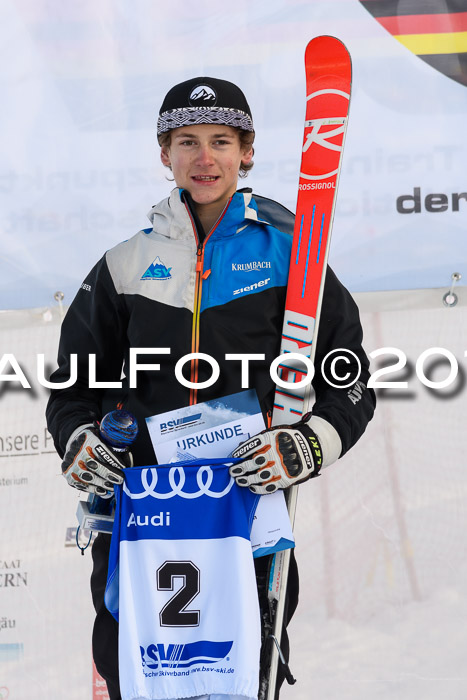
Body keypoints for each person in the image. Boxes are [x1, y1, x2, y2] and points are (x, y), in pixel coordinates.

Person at [46, 76, 375, 699]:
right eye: (187, 142)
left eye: (221, 141)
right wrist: (80, 440)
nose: (205, 158)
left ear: (246, 151)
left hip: (244, 512)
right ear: (163, 154)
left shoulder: (292, 254)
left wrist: (307, 444)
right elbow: (72, 387)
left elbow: (351, 379)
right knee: (131, 674)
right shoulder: (125, 264)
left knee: (246, 675)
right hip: (142, 513)